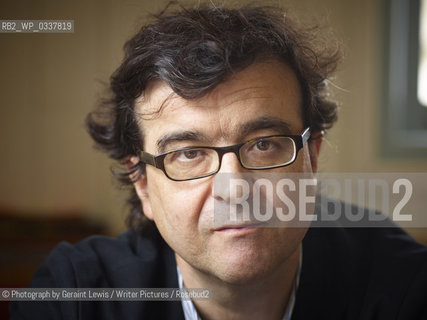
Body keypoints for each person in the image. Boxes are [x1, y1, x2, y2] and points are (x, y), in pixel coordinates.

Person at [10, 2, 427, 320]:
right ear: (142, 184)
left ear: (311, 159)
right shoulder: (76, 297)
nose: (234, 188)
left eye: (264, 144)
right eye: (188, 154)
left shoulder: (402, 286)